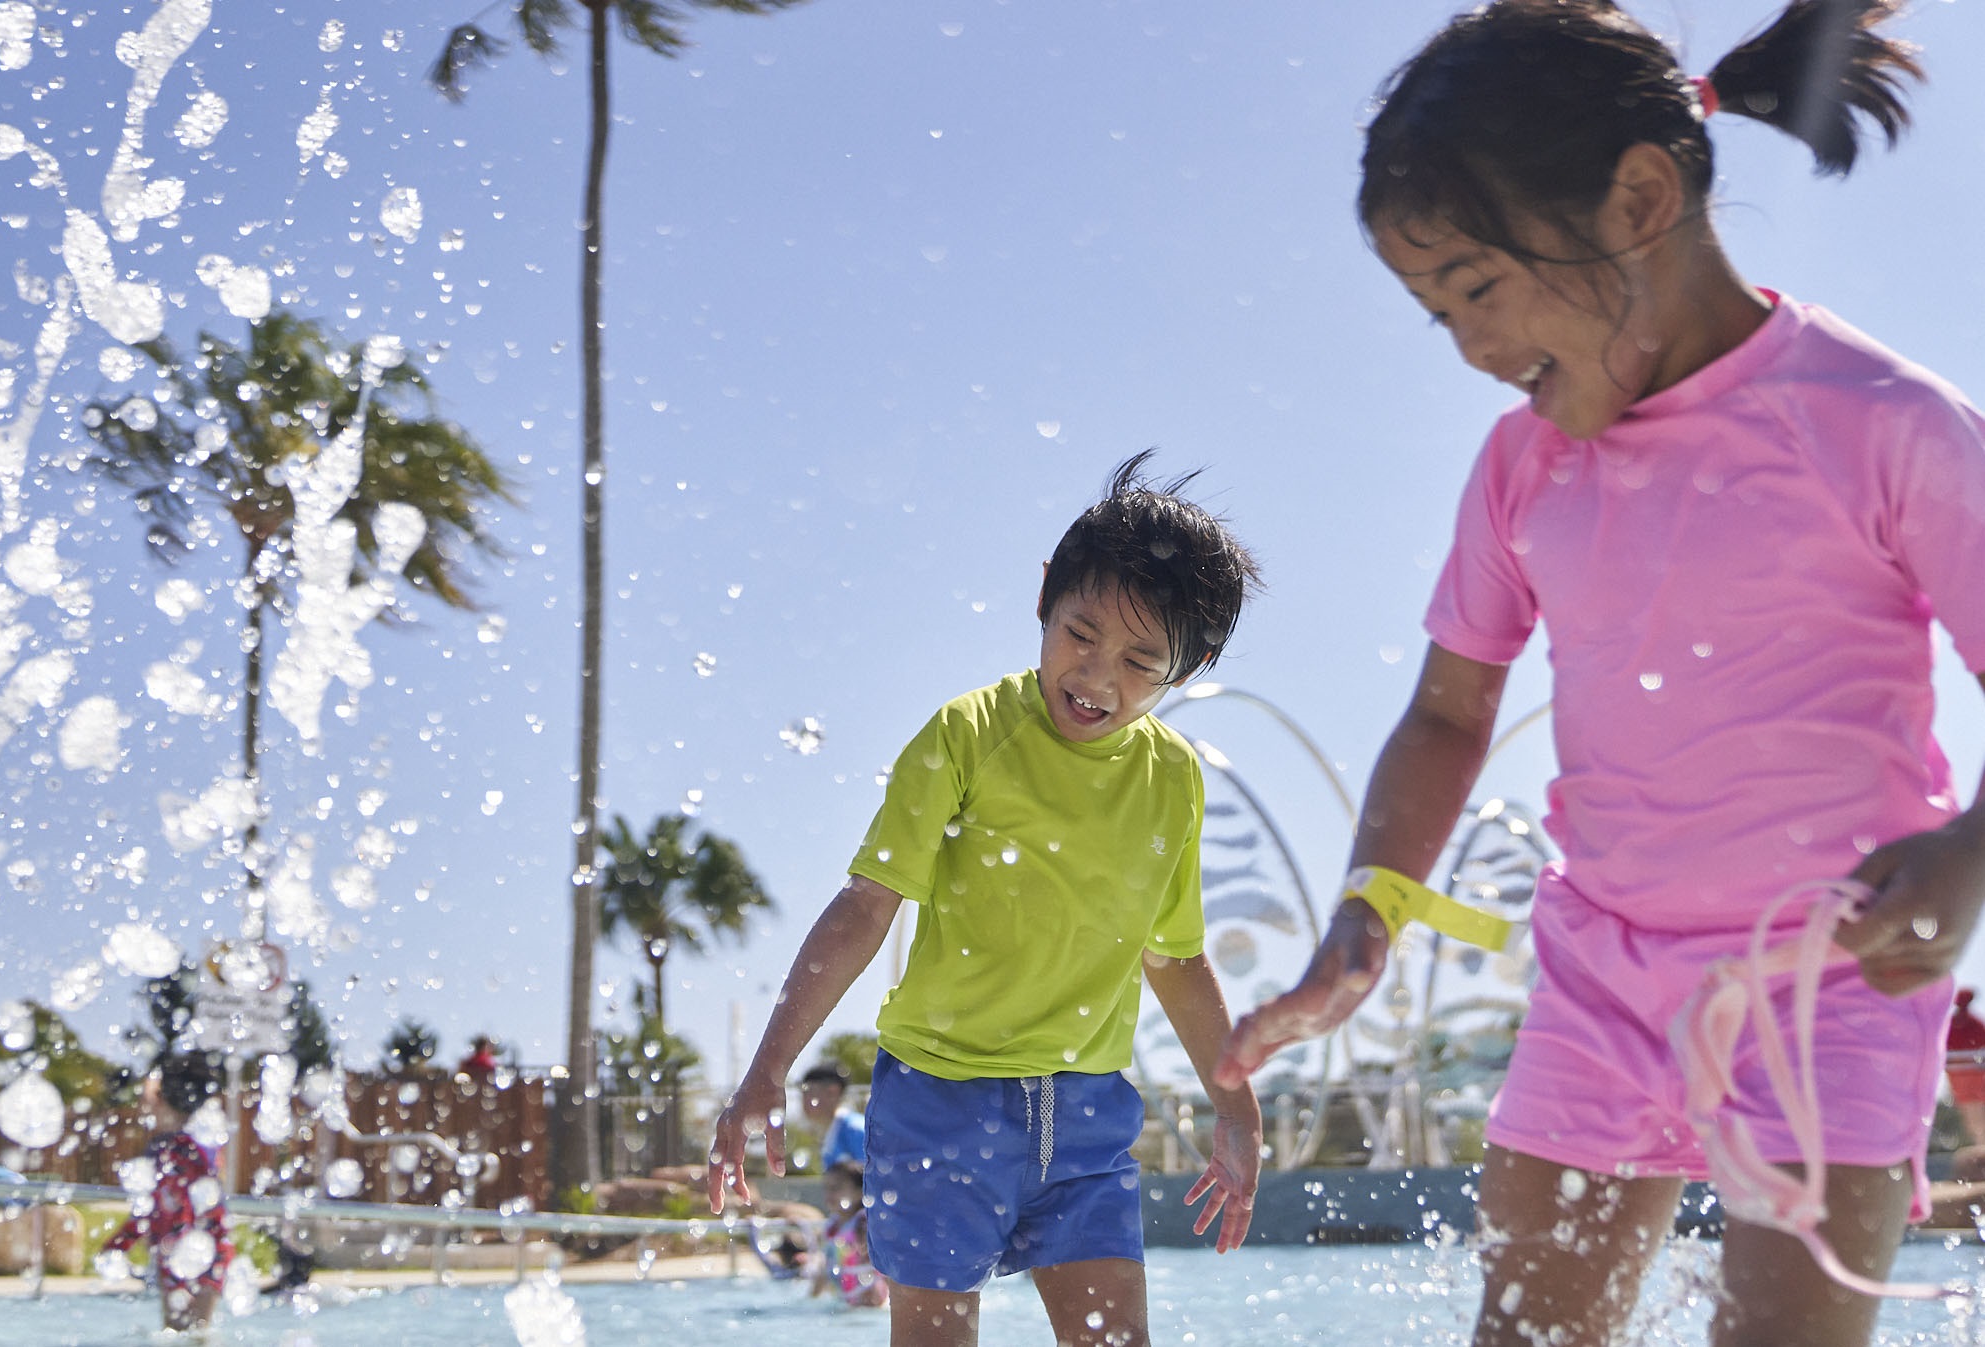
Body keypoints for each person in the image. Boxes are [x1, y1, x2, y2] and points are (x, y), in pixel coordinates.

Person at [1212, 4, 1985, 1345]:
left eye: (1477, 285)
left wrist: (1971, 852)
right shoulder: (1526, 467)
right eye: (1432, 308)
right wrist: (1371, 905)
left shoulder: (1879, 423)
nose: (1468, 345)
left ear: (1639, 199)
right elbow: (1453, 710)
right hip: (1600, 977)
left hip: (1831, 969)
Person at [709, 452, 1263, 1347]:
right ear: (1045, 593)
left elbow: (1176, 956)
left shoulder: (1172, 778)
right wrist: (770, 1065)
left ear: (1186, 667)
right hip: (939, 1105)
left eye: (1138, 661)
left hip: (1086, 1116)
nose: (1097, 676)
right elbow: (864, 907)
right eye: (1080, 633)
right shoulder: (967, 736)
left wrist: (1235, 1105)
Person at [102, 1051, 233, 1332]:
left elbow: (153, 1207)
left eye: (152, 1098)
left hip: (190, 1248)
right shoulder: (195, 1145)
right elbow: (152, 1206)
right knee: (195, 1331)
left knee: (180, 1329)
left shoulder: (185, 1147)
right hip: (203, 1248)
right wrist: (122, 1242)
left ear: (163, 1101)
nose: (146, 1106)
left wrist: (121, 1242)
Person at [811, 1161, 888, 1310]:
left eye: (836, 1188)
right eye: (826, 1188)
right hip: (848, 1300)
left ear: (860, 1193)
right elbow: (826, 1268)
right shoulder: (831, 1227)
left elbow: (871, 1264)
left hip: (871, 1299)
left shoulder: (863, 1222)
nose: (829, 1194)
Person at [797, 1063, 865, 1172]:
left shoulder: (856, 1130)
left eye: (808, 1091)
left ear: (832, 1092)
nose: (803, 1100)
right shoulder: (833, 1131)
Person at [1948, 990, 1985, 1147]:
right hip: (1972, 1080)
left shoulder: (1949, 1024)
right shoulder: (1976, 1023)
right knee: (1975, 1118)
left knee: (1973, 1118)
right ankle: (1981, 1147)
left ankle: (1981, 1146)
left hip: (1963, 1080)